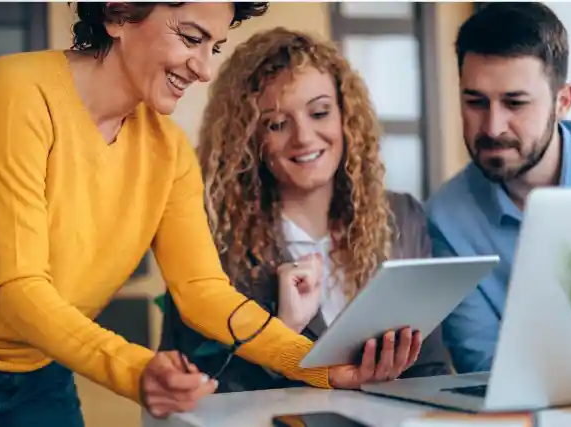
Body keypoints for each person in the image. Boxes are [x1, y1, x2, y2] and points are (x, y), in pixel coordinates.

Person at [0, 2, 281, 425]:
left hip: (41, 367)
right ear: (118, 14)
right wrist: (135, 369)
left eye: (213, 48)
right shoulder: (16, 92)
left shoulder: (170, 151)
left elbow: (203, 292)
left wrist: (319, 366)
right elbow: (20, 287)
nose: (203, 70)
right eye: (191, 38)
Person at [159, 27, 452, 393]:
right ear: (250, 139)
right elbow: (190, 392)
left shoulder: (401, 218)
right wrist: (283, 332)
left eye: (319, 112)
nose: (304, 137)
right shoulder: (210, 241)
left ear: (346, 116)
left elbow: (432, 367)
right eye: (278, 124)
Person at [426, 2, 571, 374]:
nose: (492, 127)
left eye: (515, 103)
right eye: (475, 102)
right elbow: (485, 367)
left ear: (562, 102)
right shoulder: (446, 219)